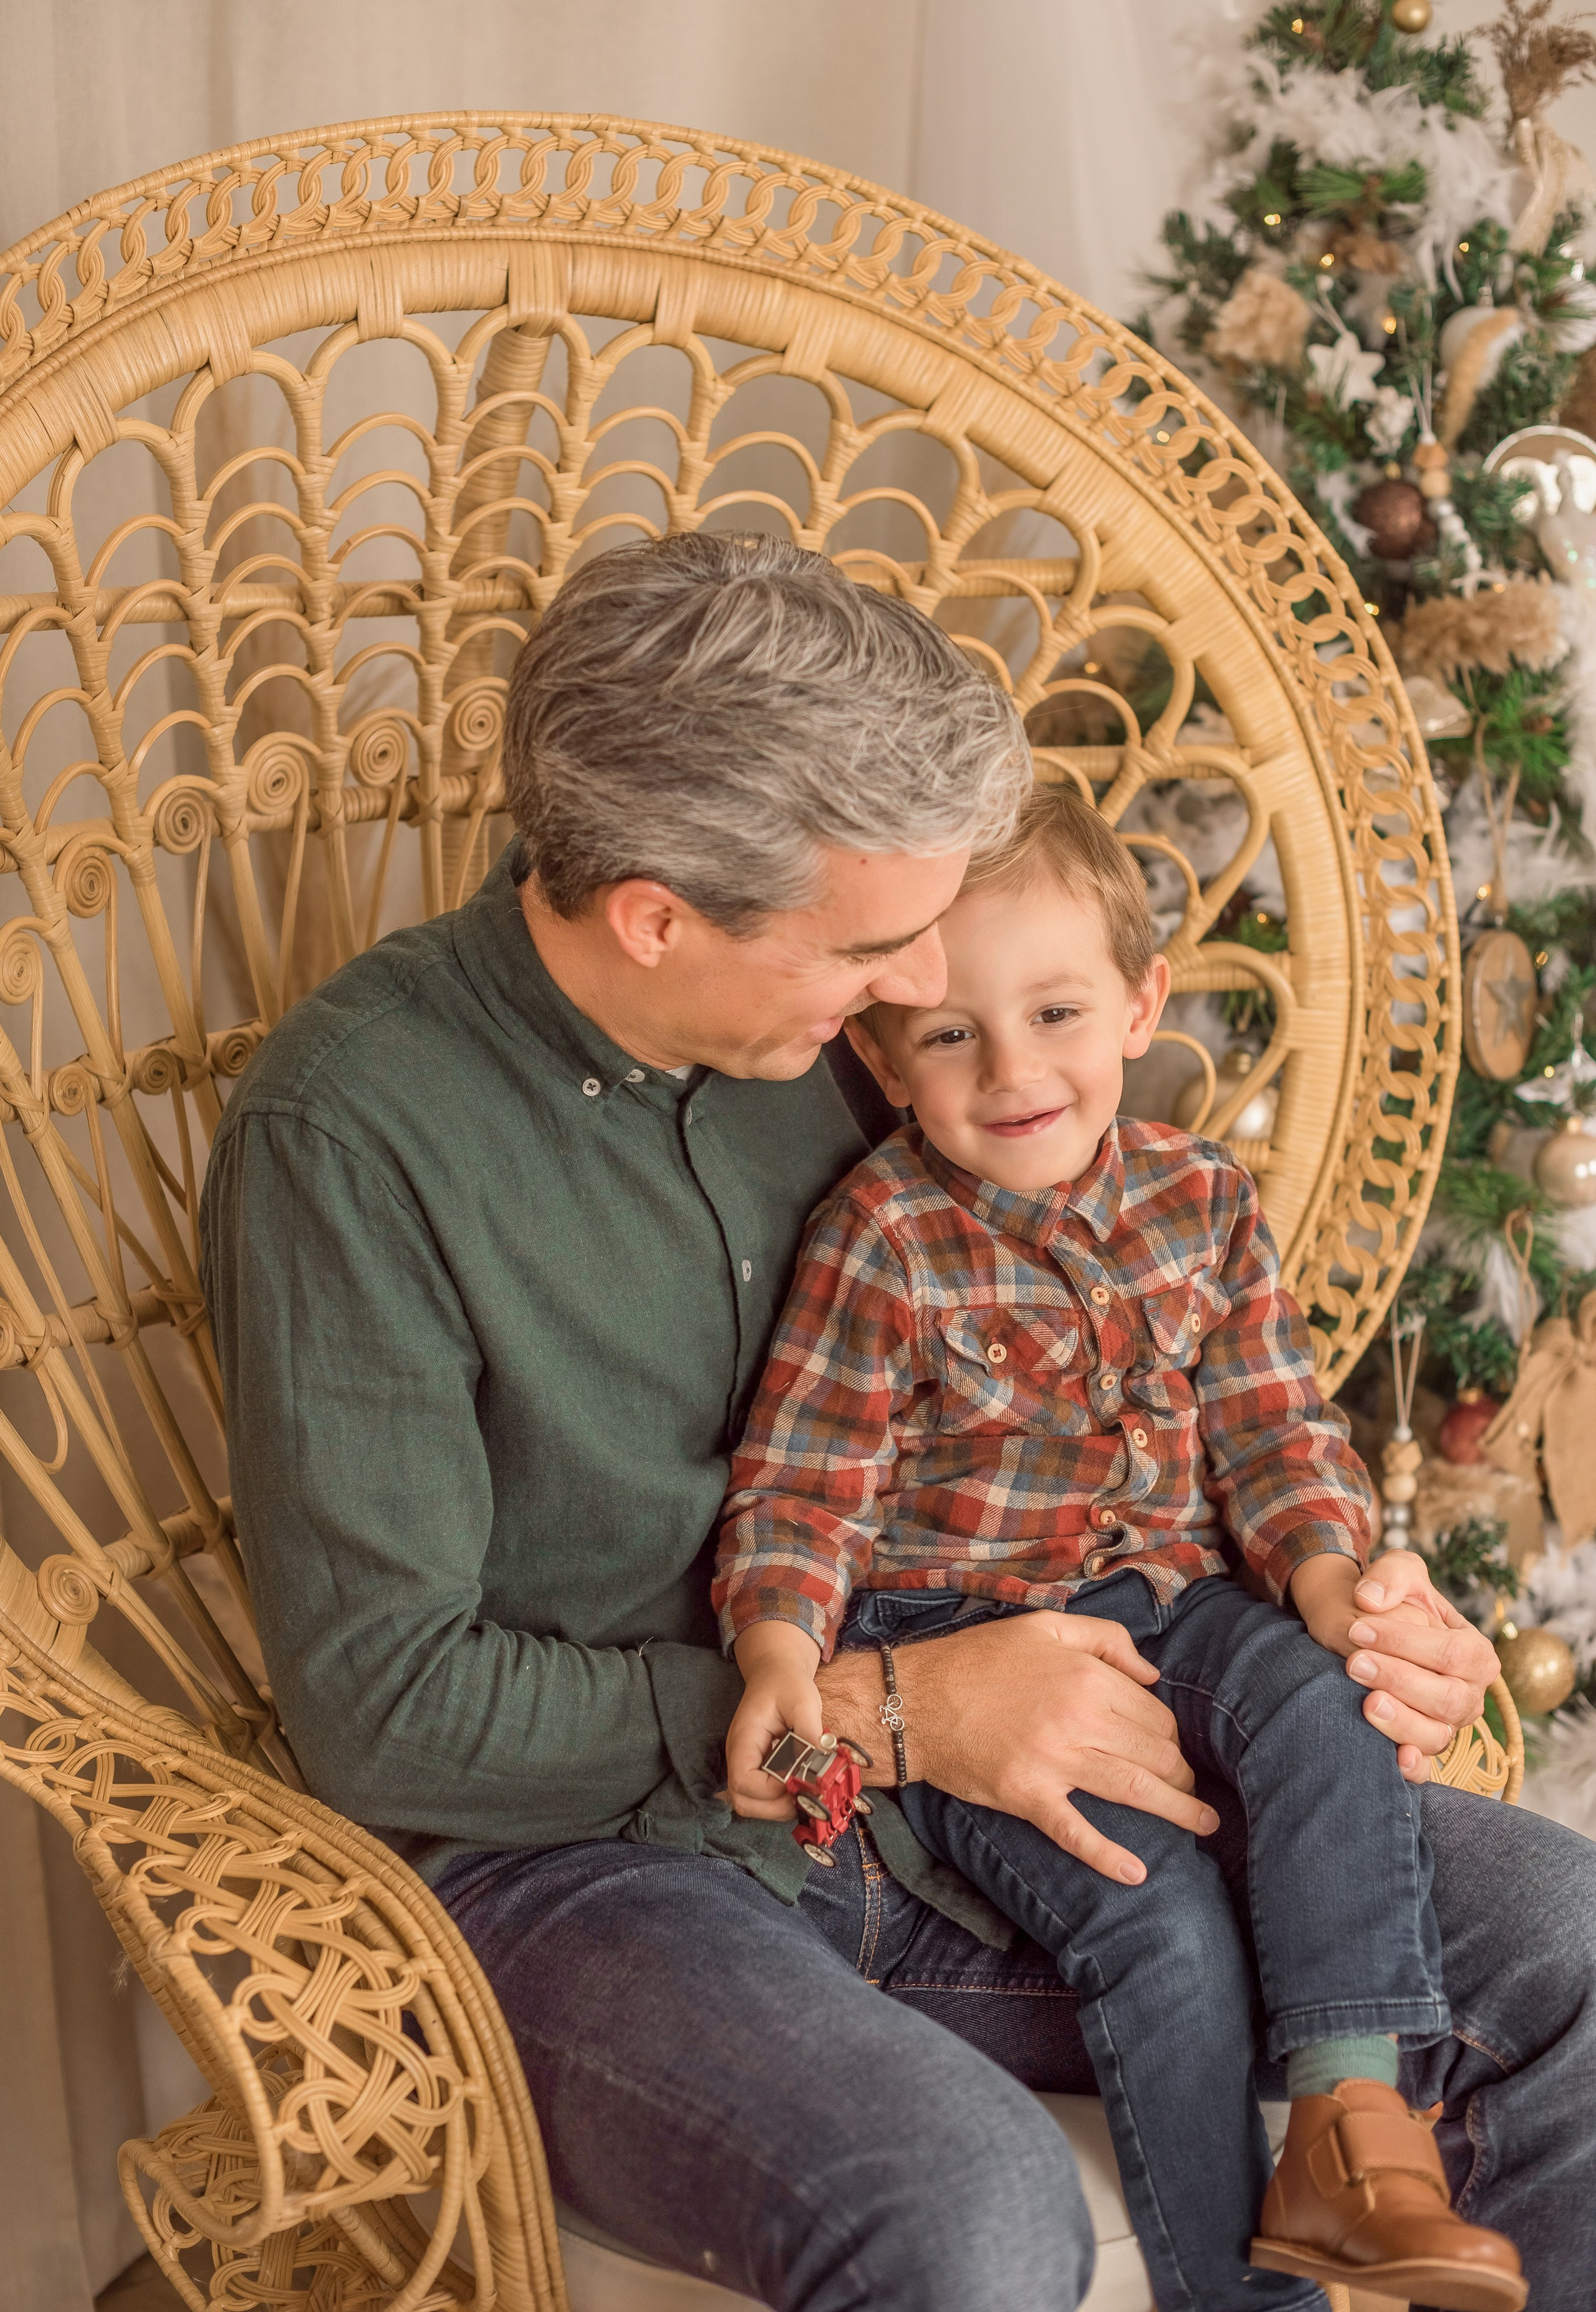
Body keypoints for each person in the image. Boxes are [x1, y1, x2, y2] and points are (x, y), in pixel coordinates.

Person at [201, 532, 1596, 2312]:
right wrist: (893, 1710)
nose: (922, 994)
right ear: (658, 916)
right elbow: (390, 1713)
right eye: (873, 950)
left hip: (1005, 1766)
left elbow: (1133, 1355)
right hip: (602, 1874)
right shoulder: (351, 1139)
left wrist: (1344, 1595)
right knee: (965, 2212)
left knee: (1567, 1942)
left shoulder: (858, 1045)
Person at [714, 786, 1524, 2311]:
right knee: (1152, 1916)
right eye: (951, 1035)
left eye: (1057, 1012)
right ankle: (1243, 2298)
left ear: (1139, 1004)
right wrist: (781, 1649)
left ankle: (1353, 2130)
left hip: (1174, 1603)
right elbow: (801, 1492)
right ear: (882, 1061)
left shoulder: (1200, 1198)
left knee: (1317, 1695)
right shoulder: (879, 1237)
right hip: (961, 1635)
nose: (1014, 1072)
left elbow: (1278, 1438)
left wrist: (1334, 1580)